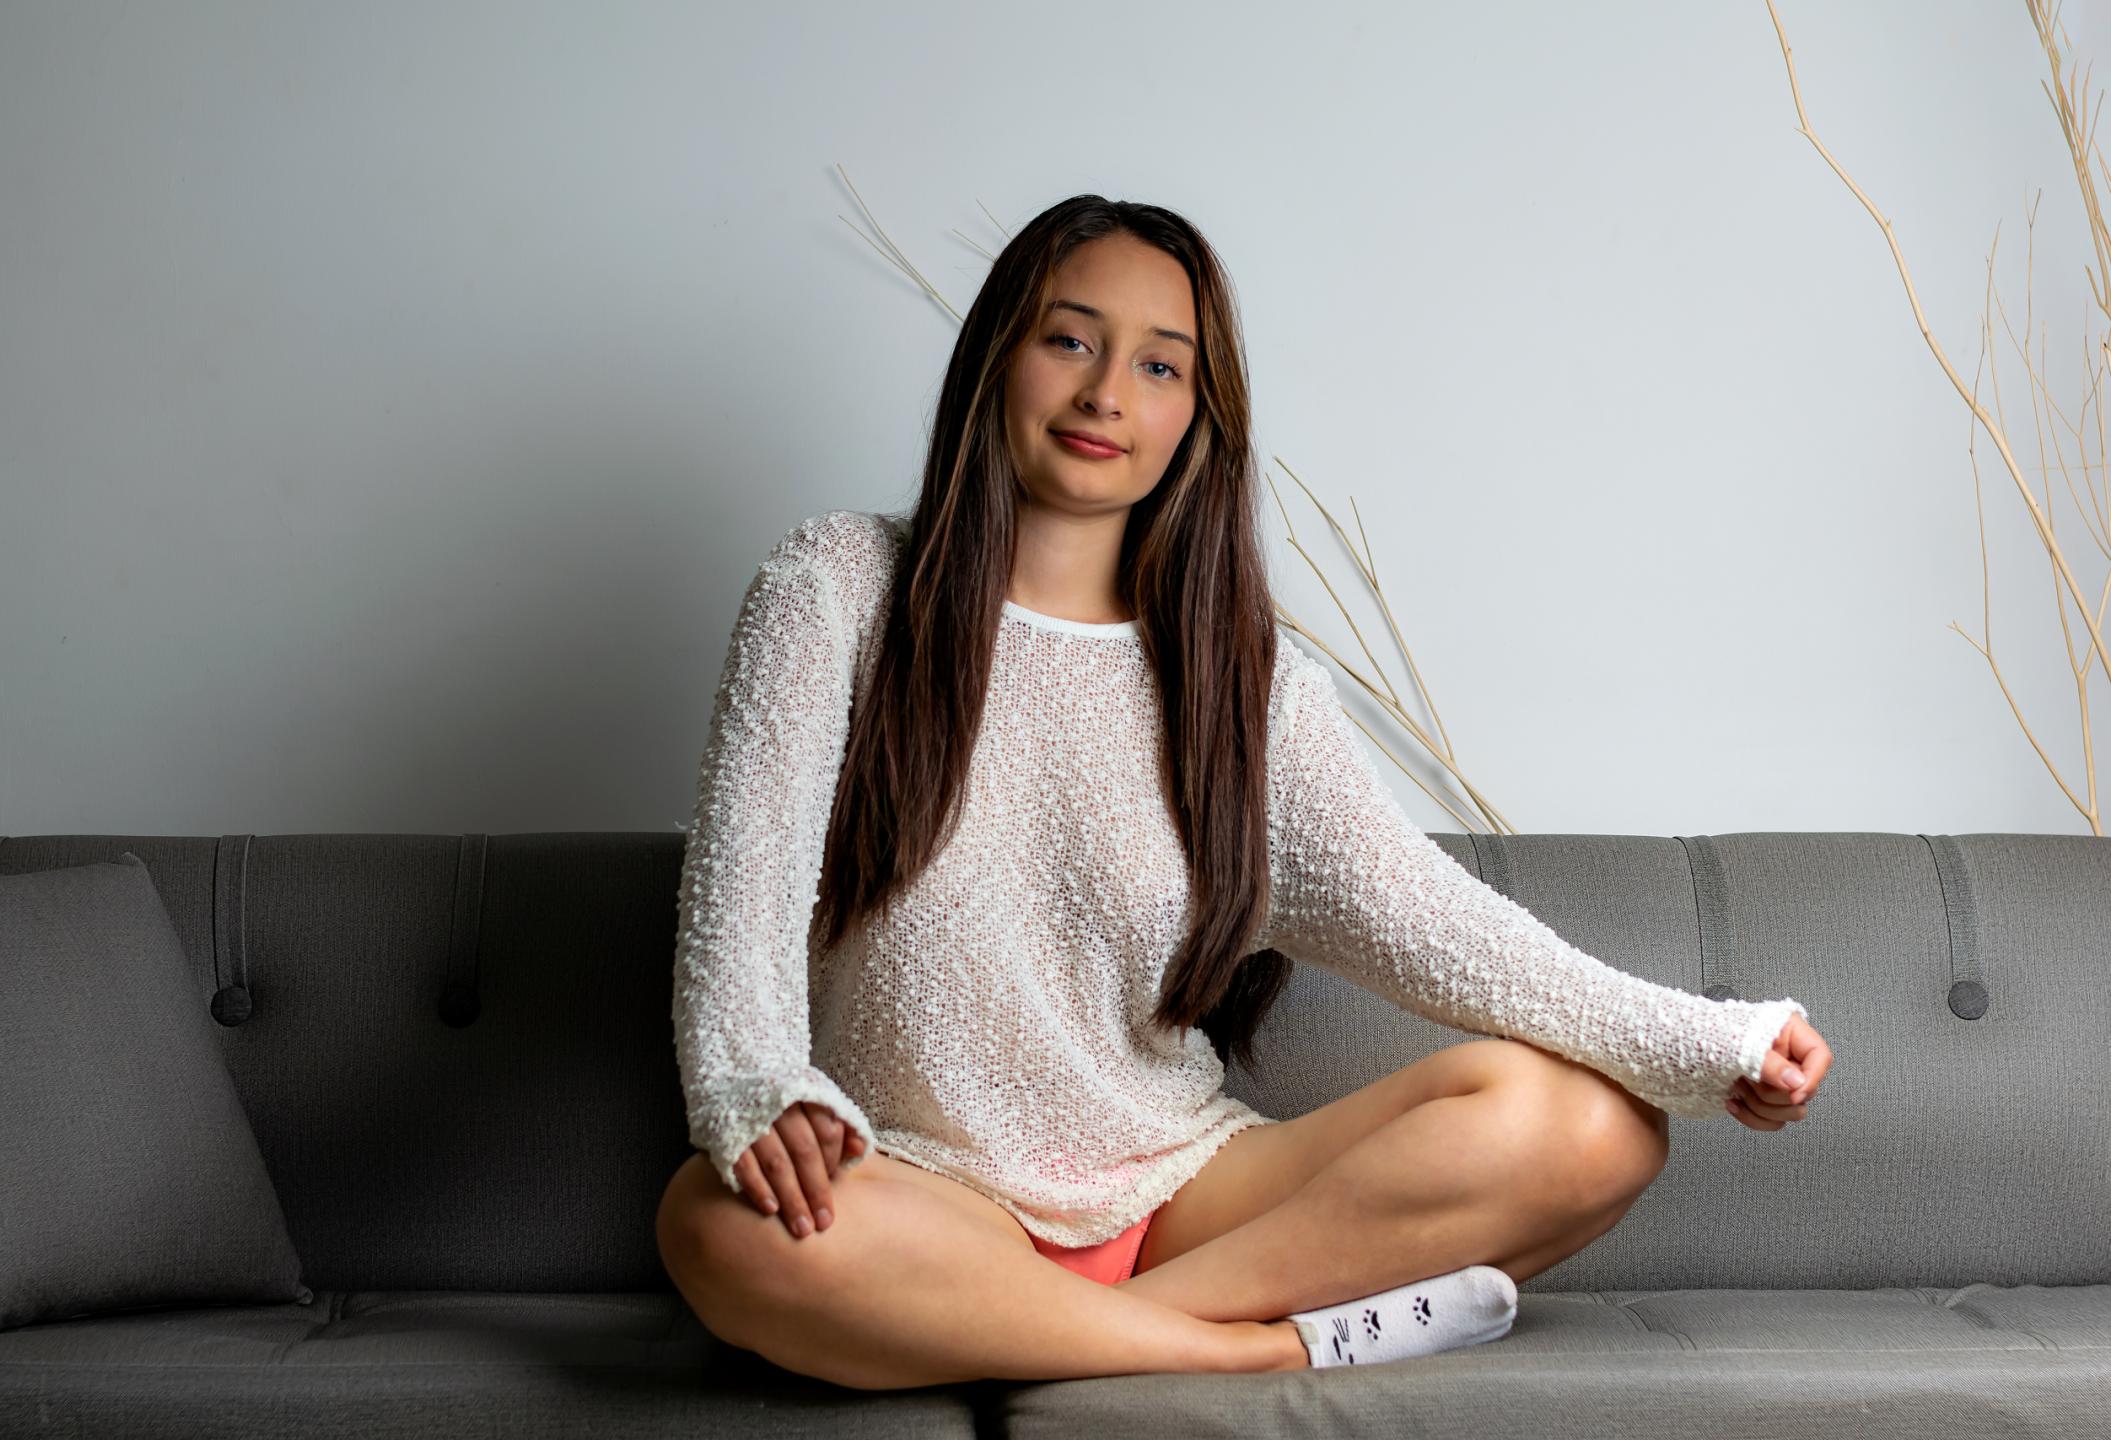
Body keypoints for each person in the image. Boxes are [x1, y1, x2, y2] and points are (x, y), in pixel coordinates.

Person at [654, 194, 1832, 1389]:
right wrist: (754, 1088)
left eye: (1159, 365)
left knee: (1598, 1127)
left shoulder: (1244, 680)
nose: (1105, 393)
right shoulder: (836, 586)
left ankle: (1032, 1338)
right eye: (1068, 339)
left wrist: (1703, 1042)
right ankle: (1257, 1350)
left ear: (1197, 417)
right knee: (711, 1224)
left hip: (1186, 1200)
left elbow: (1438, 929)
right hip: (917, 1196)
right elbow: (738, 902)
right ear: (996, 355)